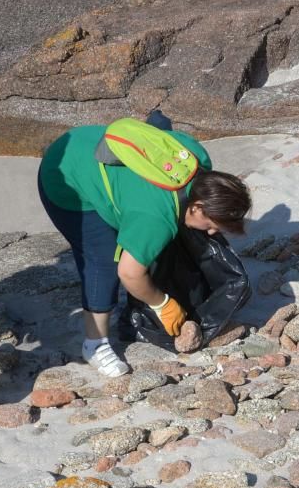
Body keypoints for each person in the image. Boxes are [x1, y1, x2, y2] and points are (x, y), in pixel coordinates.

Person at [37, 123, 251, 376]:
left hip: (89, 139)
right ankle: (95, 344)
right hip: (65, 175)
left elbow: (165, 137)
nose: (213, 232)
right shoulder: (155, 218)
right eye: (213, 225)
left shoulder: (198, 158)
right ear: (198, 207)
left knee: (144, 236)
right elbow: (129, 273)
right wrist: (162, 303)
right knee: (103, 260)